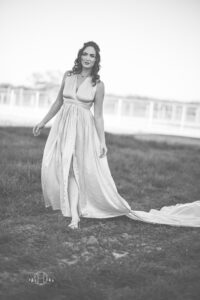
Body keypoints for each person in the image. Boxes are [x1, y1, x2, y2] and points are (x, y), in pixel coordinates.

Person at [33, 41, 200, 229]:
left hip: (83, 130)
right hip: (63, 126)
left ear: (96, 60)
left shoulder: (98, 84)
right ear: (80, 56)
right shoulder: (68, 75)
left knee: (74, 168)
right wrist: (42, 122)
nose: (88, 58)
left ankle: (74, 217)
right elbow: (58, 102)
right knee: (62, 165)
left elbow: (98, 116)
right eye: (85, 54)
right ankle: (73, 211)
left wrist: (102, 142)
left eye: (92, 56)